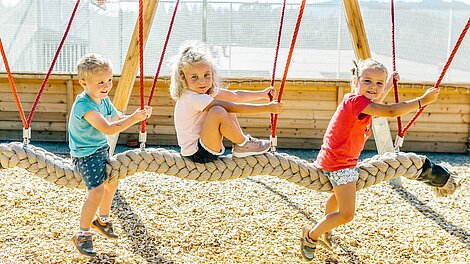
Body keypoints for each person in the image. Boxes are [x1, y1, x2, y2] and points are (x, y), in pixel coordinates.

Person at [300, 58, 440, 261]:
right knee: (347, 214)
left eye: (379, 83)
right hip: (339, 165)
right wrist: (422, 101)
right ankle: (310, 236)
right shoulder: (355, 102)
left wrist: (390, 83)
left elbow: (376, 101)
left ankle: (326, 229)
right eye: (367, 81)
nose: (374, 87)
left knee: (337, 199)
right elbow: (390, 111)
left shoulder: (360, 102)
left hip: (336, 160)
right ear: (356, 81)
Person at [68, 53, 152, 257]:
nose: (106, 85)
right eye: (100, 82)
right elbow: (108, 128)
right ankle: (82, 234)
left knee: (112, 182)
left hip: (100, 150)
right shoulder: (84, 105)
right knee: (96, 192)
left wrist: (137, 115)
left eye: (109, 80)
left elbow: (117, 118)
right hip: (85, 155)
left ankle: (102, 220)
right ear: (83, 83)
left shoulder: (103, 99)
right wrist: (133, 119)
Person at [169, 41, 284, 163]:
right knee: (218, 110)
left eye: (206, 75)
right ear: (183, 78)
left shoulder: (205, 91)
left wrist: (261, 94)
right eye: (194, 77)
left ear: (212, 73)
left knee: (223, 103)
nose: (202, 81)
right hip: (196, 153)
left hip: (205, 145)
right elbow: (233, 107)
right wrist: (267, 108)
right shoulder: (193, 98)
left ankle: (242, 144)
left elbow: (235, 96)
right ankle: (243, 144)